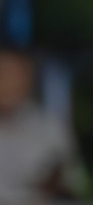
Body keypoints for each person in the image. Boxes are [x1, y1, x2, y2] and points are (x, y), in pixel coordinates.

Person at [0, 45, 83, 204]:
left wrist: (53, 183)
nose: (7, 83)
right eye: (2, 74)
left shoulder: (49, 128)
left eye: (14, 74)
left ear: (28, 78)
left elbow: (70, 183)